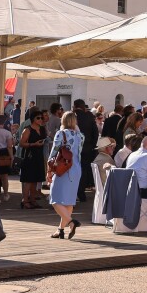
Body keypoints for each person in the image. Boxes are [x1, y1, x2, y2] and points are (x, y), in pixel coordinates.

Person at [47, 111, 83, 240]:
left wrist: (49, 170)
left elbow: (53, 153)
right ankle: (60, 230)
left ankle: (71, 222)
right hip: (76, 168)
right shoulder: (80, 135)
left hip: (63, 168)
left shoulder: (61, 134)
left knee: (55, 198)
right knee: (69, 201)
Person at [18, 110, 48, 209]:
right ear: (33, 119)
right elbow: (22, 143)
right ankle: (25, 200)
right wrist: (33, 144)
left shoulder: (43, 129)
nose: (40, 120)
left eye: (41, 118)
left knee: (36, 179)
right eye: (38, 118)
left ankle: (33, 199)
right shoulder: (28, 129)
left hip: (39, 155)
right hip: (29, 156)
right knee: (28, 180)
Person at [73, 99, 98, 204]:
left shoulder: (72, 116)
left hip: (74, 148)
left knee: (73, 170)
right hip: (87, 147)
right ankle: (81, 193)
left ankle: (73, 193)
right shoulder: (89, 116)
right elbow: (95, 132)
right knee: (83, 171)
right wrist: (92, 145)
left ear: (74, 106)